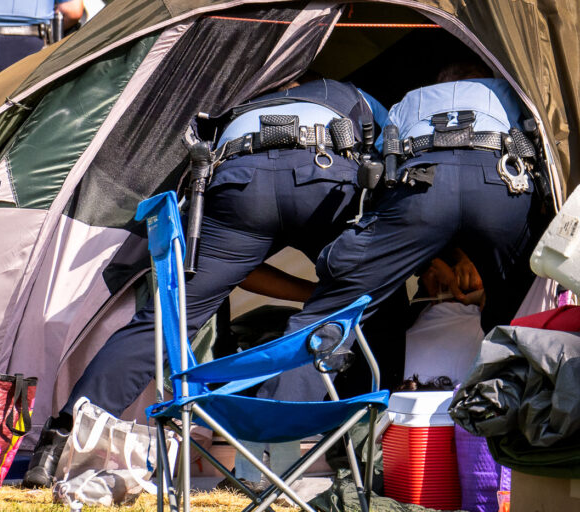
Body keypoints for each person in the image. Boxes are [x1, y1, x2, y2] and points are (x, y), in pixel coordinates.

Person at [22, 77, 389, 487]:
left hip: (239, 183)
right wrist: (322, 296)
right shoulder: (349, 94)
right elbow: (394, 169)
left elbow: (240, 269)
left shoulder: (236, 109)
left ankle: (58, 441)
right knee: (361, 304)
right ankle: (282, 461)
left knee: (164, 321)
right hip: (326, 179)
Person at [286, 57, 547, 360]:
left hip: (421, 185)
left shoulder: (412, 100)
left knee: (333, 309)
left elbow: (381, 166)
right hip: (501, 181)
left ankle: (293, 379)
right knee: (528, 297)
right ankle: (523, 380)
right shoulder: (510, 92)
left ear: (439, 85)